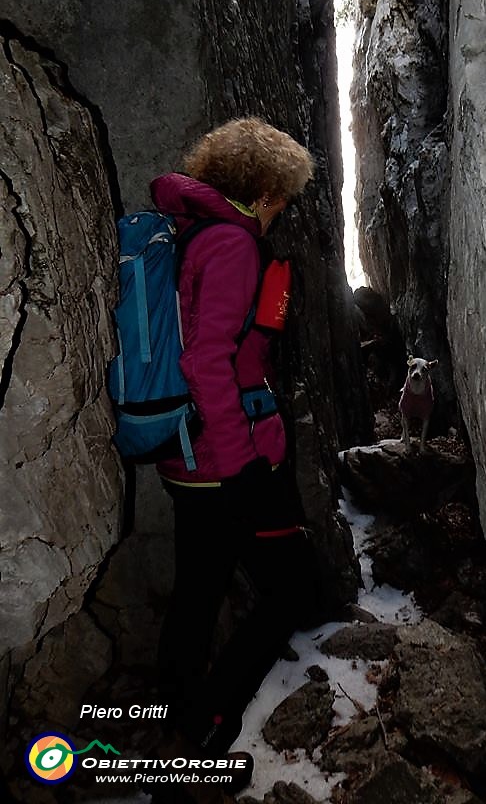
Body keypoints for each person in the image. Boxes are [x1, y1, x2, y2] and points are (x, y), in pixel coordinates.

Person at [151, 117, 316, 760]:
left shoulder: (191, 232)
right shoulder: (232, 246)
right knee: (289, 591)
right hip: (228, 459)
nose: (283, 209)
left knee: (197, 591)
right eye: (284, 196)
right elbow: (206, 361)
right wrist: (246, 467)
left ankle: (176, 721)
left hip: (192, 456)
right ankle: (208, 731)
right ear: (266, 190)